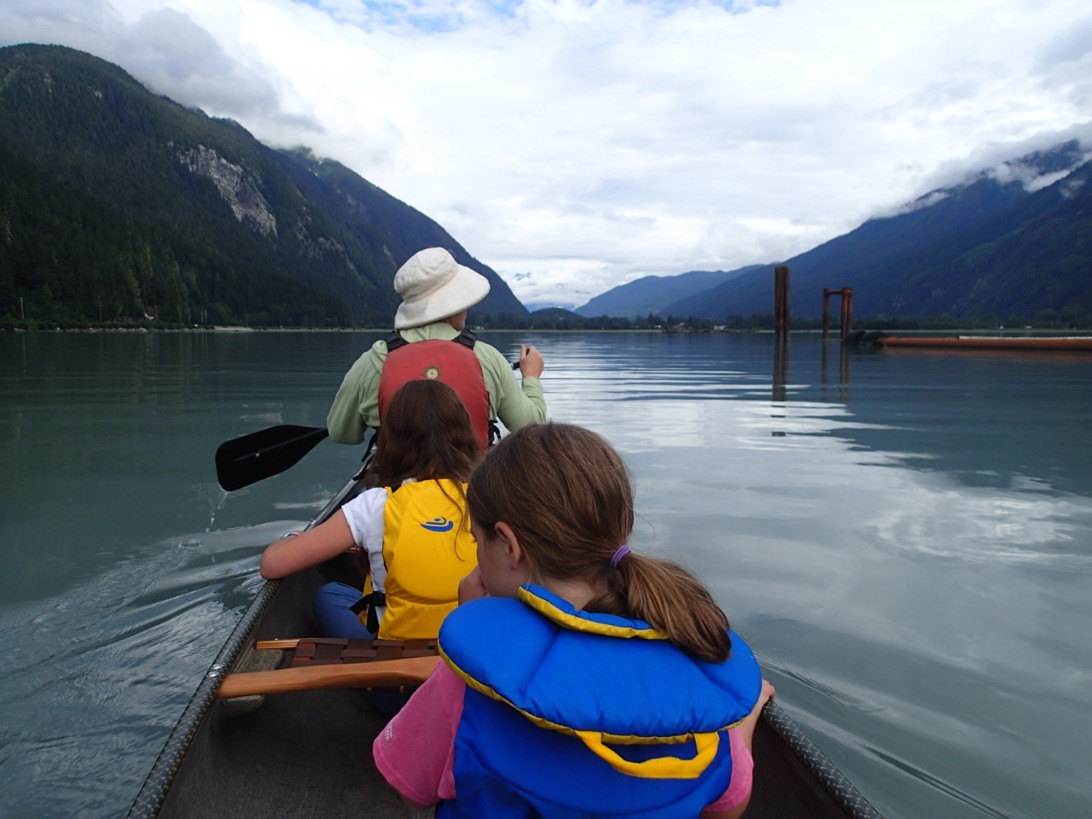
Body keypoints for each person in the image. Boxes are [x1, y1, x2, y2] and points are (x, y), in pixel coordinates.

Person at [373, 423, 775, 818]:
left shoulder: (468, 685)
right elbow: (729, 804)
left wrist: (471, 641)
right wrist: (748, 716)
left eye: (478, 542)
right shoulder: (695, 669)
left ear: (510, 546)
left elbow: (412, 788)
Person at [260, 379, 482, 640]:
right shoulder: (485, 497)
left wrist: (293, 541)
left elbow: (271, 565)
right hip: (469, 648)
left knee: (329, 596)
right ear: (465, 435)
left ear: (391, 440)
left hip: (392, 652)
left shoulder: (376, 503)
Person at [326, 247, 546, 449]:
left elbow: (342, 433)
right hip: (470, 485)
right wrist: (531, 377)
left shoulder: (373, 361)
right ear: (453, 306)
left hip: (396, 489)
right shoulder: (487, 357)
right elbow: (531, 428)